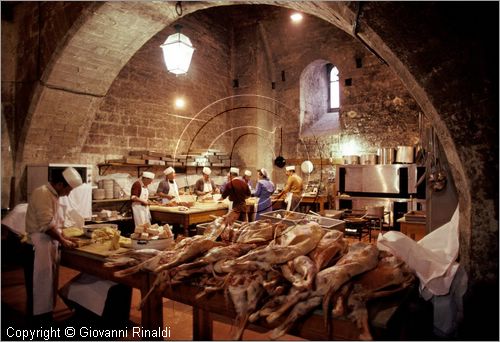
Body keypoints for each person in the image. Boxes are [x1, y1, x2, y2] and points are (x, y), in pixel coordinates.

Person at [24, 167, 83, 325]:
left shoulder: (53, 195)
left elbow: (55, 225)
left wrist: (64, 236)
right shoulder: (42, 193)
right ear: (59, 184)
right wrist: (63, 241)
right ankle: (36, 327)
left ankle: (44, 320)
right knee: (38, 288)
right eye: (68, 189)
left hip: (47, 246)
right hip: (37, 248)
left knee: (47, 286)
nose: (69, 193)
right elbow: (47, 225)